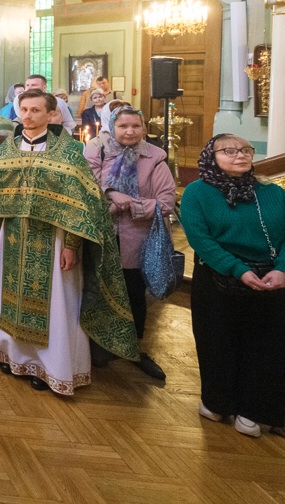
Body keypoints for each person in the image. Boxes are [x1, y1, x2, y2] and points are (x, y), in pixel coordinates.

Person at [0, 89, 138, 394]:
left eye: (36, 110)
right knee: (9, 297)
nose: (28, 115)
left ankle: (49, 368)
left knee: (55, 304)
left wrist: (73, 245)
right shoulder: (7, 148)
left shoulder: (70, 151)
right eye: (24, 109)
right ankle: (12, 354)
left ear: (51, 115)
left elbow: (81, 205)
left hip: (55, 241)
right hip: (13, 236)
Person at [180, 134, 285, 437]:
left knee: (271, 348)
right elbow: (200, 239)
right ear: (212, 155)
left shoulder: (272, 192)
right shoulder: (197, 192)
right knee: (218, 345)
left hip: (270, 280)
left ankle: (254, 410)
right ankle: (217, 403)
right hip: (218, 279)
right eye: (229, 151)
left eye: (246, 150)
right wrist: (237, 269)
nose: (240, 155)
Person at [84, 105, 174, 380]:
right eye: (123, 126)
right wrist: (111, 194)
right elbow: (87, 187)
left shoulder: (155, 157)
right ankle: (99, 343)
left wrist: (127, 204)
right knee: (97, 289)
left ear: (144, 129)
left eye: (136, 126)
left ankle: (133, 347)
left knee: (134, 292)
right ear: (112, 127)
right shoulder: (97, 151)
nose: (130, 131)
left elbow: (166, 201)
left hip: (137, 237)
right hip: (102, 235)